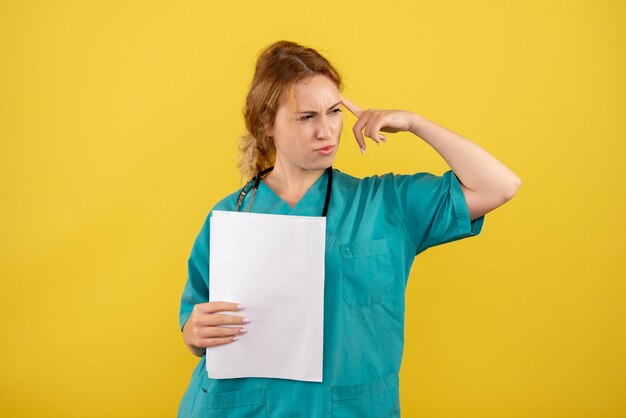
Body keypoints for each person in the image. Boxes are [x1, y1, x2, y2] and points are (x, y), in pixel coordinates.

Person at [178, 40, 521, 417]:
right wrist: (193, 333)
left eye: (334, 111)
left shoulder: (386, 204)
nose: (326, 131)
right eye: (306, 117)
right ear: (267, 125)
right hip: (239, 407)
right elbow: (196, 320)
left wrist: (414, 123)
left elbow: (500, 185)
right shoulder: (232, 215)